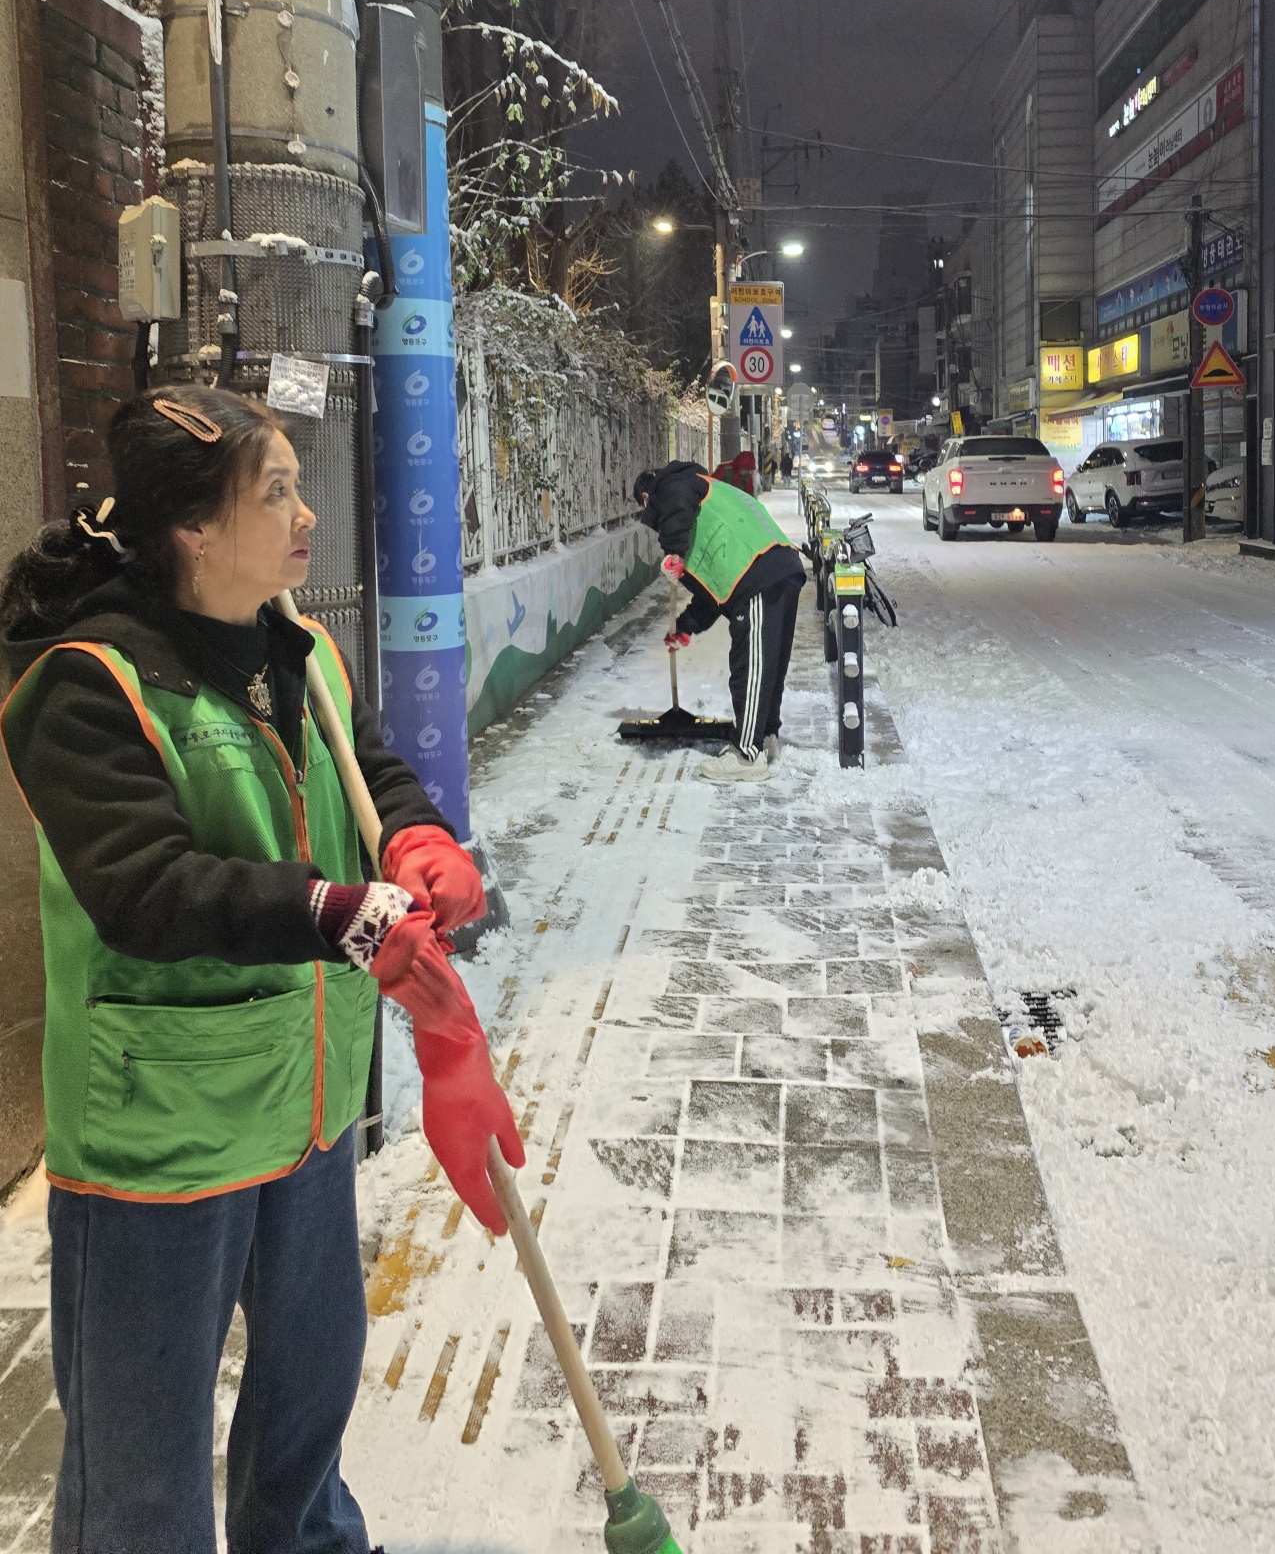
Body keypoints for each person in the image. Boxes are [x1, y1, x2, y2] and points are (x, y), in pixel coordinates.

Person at [0, 386, 525, 1554]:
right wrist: (333, 910)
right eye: (275, 491)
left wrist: (417, 838)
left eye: (297, 483)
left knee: (308, 1388)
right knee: (142, 1455)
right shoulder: (86, 680)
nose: (305, 516)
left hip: (305, 1103)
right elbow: (145, 885)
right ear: (191, 527)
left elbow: (368, 769)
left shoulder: (301, 647)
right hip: (163, 1130)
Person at [633, 461, 804, 783]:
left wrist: (673, 552)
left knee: (749, 669)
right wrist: (686, 626)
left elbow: (674, 504)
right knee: (766, 668)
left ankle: (746, 755)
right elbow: (714, 592)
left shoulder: (674, 485)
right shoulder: (706, 496)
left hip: (756, 574)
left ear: (647, 497)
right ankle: (764, 736)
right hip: (776, 569)